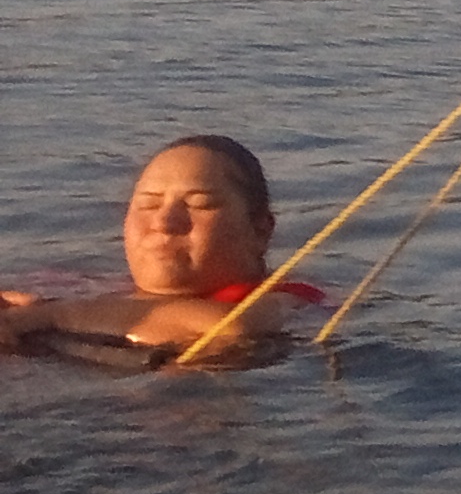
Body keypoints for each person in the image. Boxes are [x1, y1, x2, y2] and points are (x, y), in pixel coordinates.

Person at [0, 138, 326, 362]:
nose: (164, 222)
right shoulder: (82, 288)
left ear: (260, 230)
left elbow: (231, 328)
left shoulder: (287, 301)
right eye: (149, 205)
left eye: (200, 205)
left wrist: (54, 316)